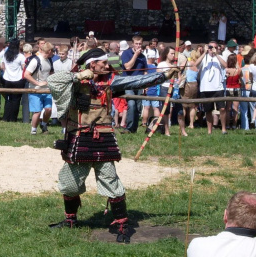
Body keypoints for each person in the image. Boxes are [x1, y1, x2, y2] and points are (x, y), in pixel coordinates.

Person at [47, 48, 175, 243]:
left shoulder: (111, 82)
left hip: (103, 140)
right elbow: (52, 81)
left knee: (111, 182)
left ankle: (121, 224)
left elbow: (137, 81)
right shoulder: (75, 81)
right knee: (70, 184)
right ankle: (70, 220)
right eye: (104, 63)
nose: (108, 66)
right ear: (93, 65)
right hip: (79, 139)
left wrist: (164, 75)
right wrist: (80, 75)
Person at [194, 40, 228, 134]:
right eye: (210, 47)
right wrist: (204, 52)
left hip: (218, 87)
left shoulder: (219, 57)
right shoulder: (204, 57)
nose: (212, 49)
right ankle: (209, 130)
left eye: (215, 47)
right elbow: (195, 64)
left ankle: (224, 129)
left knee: (222, 108)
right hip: (206, 88)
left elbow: (225, 65)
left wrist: (216, 54)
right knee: (208, 110)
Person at [24, 41, 54, 135]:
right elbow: (26, 75)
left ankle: (44, 124)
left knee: (49, 109)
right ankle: (33, 130)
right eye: (53, 51)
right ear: (49, 51)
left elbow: (50, 73)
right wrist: (38, 83)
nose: (54, 53)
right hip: (35, 89)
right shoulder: (36, 60)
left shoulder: (49, 60)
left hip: (47, 89)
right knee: (37, 111)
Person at [121, 35, 147, 132]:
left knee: (138, 106)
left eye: (140, 44)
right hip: (128, 83)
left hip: (140, 83)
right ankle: (128, 128)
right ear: (132, 44)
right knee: (131, 104)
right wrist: (135, 55)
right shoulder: (126, 53)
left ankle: (134, 129)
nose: (138, 46)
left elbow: (145, 71)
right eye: (136, 44)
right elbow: (127, 67)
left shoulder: (143, 57)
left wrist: (146, 84)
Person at [1, 39, 26, 122]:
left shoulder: (5, 55)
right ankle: (13, 118)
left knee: (8, 99)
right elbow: (23, 68)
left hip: (7, 79)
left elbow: (2, 66)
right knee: (16, 100)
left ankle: (5, 117)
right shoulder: (21, 56)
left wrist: (6, 72)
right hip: (18, 79)